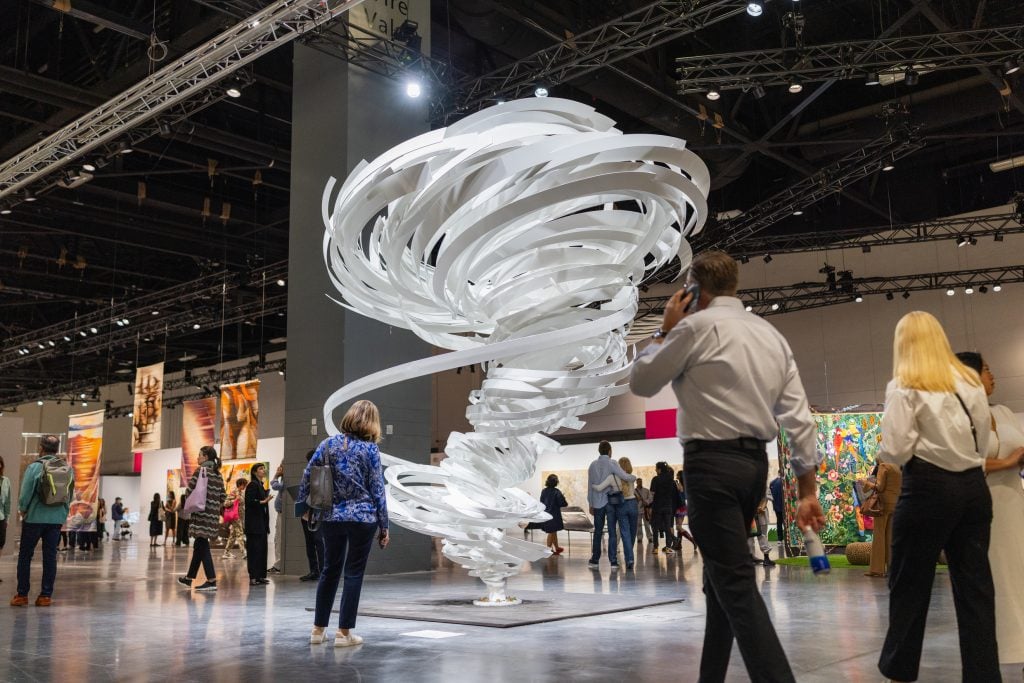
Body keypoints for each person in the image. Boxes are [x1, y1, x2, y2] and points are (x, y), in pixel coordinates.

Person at [629, 250, 823, 683]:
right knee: (721, 578)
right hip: (755, 466)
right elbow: (799, 420)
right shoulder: (770, 335)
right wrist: (807, 491)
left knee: (734, 582)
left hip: (710, 466)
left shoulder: (693, 329)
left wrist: (664, 330)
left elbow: (642, 382)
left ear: (694, 291)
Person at [874, 312, 998, 682]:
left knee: (909, 585)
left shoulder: (904, 385)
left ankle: (899, 671)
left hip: (927, 488)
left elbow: (894, 450)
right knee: (976, 590)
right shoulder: (971, 384)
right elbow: (984, 443)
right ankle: (984, 676)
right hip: (974, 490)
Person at [298, 399, 389, 647]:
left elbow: (308, 475)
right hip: (363, 517)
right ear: (372, 423)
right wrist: (384, 525)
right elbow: (378, 489)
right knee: (353, 573)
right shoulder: (370, 450)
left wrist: (302, 507)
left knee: (329, 570)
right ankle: (344, 633)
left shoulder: (328, 444)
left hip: (332, 517)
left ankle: (317, 630)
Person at [956, 351, 1024, 666]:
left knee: (1020, 574)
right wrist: (1007, 461)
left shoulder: (1006, 412)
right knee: (990, 581)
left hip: (1014, 503)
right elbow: (964, 461)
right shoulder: (958, 417)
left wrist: (1018, 459)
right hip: (980, 508)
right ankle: (996, 651)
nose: (993, 374)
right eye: (986, 369)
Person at [11, 435, 74, 607]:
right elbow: (70, 495)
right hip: (55, 520)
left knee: (25, 556)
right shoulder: (67, 468)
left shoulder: (34, 467)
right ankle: (45, 596)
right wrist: (62, 514)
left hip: (34, 518)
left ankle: (22, 595)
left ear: (41, 448)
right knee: (50, 556)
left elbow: (25, 494)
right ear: (56, 449)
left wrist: (23, 510)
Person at [177, 446, 226, 592]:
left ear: (205, 457)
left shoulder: (201, 471)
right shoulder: (218, 474)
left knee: (202, 545)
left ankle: (211, 580)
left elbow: (189, 491)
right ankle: (189, 578)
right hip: (212, 516)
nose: (197, 458)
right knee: (199, 545)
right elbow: (223, 496)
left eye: (199, 455)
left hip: (201, 515)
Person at [586, 441, 635, 569]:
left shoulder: (592, 465)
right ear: (609, 451)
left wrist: (590, 503)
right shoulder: (612, 463)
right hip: (611, 503)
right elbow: (624, 476)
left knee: (598, 531)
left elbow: (590, 487)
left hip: (597, 503)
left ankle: (595, 560)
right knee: (612, 532)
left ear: (599, 450)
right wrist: (633, 477)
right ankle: (613, 561)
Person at [593, 457, 639, 568]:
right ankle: (629, 556)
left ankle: (630, 559)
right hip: (633, 504)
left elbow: (599, 488)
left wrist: (592, 484)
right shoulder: (632, 478)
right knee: (633, 533)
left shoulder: (612, 477)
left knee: (625, 533)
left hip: (621, 505)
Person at [863, 462, 900, 578]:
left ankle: (877, 569)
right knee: (890, 537)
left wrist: (866, 483)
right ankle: (891, 567)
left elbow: (879, 487)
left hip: (883, 505)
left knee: (879, 536)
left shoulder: (884, 466)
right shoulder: (898, 466)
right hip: (895, 504)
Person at [245, 464, 272, 586]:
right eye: (261, 469)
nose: (263, 470)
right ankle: (253, 577)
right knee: (254, 551)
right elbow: (249, 502)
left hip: (261, 523)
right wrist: (263, 501)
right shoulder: (252, 485)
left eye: (263, 468)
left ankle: (260, 576)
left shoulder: (260, 485)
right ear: (255, 472)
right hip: (254, 524)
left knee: (261, 550)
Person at [300, 449, 325, 582]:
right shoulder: (306, 473)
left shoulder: (325, 473)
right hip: (306, 513)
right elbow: (303, 491)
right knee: (309, 543)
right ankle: (313, 571)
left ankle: (322, 571)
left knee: (319, 542)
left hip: (318, 513)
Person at [649, 462, 677, 555]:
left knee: (655, 527)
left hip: (657, 507)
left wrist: (649, 506)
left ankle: (656, 548)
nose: (655, 470)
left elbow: (652, 494)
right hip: (668, 506)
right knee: (668, 527)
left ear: (660, 469)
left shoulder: (656, 479)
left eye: (656, 468)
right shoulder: (671, 479)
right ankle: (668, 547)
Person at [539, 474, 568, 555]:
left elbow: (541, 502)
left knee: (553, 531)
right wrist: (563, 498)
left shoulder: (544, 491)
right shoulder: (557, 492)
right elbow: (563, 503)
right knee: (552, 532)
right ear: (556, 482)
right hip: (554, 516)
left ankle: (557, 548)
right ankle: (547, 549)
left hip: (545, 515)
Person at [673, 469, 698, 554]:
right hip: (683, 507)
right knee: (679, 527)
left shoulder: (679, 484)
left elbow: (678, 494)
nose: (676, 475)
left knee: (678, 527)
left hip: (679, 507)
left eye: (678, 474)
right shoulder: (685, 485)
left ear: (680, 476)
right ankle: (679, 545)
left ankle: (692, 540)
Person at [223, 478, 247, 559]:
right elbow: (225, 504)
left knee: (232, 535)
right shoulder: (234, 492)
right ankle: (244, 552)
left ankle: (226, 552)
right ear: (240, 484)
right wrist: (234, 500)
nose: (245, 486)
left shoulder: (242, 493)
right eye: (244, 484)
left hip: (240, 516)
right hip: (235, 517)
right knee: (240, 533)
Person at [747, 497, 775, 567]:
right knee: (761, 536)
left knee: (750, 536)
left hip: (751, 513)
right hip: (759, 513)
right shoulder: (763, 486)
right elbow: (766, 498)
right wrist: (761, 507)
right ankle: (766, 558)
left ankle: (751, 557)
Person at [268, 464, 285, 573]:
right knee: (277, 539)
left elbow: (275, 486)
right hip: (281, 512)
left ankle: (278, 565)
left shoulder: (285, 478)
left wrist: (276, 475)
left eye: (281, 466)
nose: (278, 468)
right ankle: (278, 564)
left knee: (279, 540)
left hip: (283, 513)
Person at [768, 475, 785, 556]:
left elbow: (771, 496)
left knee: (779, 521)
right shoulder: (784, 482)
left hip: (777, 506)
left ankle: (780, 539)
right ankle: (788, 539)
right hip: (784, 507)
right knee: (786, 523)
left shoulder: (772, 482)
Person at [634, 478, 654, 545]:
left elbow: (651, 498)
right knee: (638, 525)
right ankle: (639, 538)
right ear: (636, 482)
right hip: (637, 510)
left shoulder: (646, 490)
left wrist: (647, 502)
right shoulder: (634, 491)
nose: (640, 483)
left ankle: (650, 537)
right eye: (638, 482)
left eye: (641, 481)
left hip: (645, 510)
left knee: (647, 524)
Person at [0, 456, 9, 582]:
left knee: (0, 545)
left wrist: (7, 518)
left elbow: (8, 501)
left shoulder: (6, 480)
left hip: (1, 518)